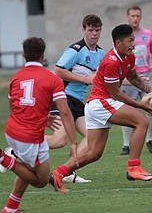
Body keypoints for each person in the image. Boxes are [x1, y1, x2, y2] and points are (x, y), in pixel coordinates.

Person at [49, 24, 152, 193]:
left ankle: (58, 173)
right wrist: (140, 105)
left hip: (98, 105)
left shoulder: (129, 56)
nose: (133, 43)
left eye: (133, 39)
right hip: (101, 102)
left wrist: (150, 91)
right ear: (118, 42)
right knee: (141, 121)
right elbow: (116, 94)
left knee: (94, 153)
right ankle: (134, 168)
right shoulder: (110, 61)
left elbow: (134, 78)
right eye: (130, 40)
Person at [0, 37, 77, 212]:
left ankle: (10, 209)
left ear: (23, 55)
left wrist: (43, 119)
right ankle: (3, 158)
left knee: (28, 169)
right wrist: (74, 142)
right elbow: (65, 112)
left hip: (12, 131)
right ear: (43, 55)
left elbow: (15, 108)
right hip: (30, 138)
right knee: (41, 180)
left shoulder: (16, 77)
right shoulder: (52, 79)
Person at [45, 14, 105, 183]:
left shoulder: (101, 53)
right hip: (63, 98)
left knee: (92, 137)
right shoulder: (75, 50)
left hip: (78, 103)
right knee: (60, 140)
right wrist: (85, 79)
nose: (94, 33)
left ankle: (67, 171)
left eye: (97, 30)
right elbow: (58, 70)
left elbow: (109, 76)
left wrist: (138, 83)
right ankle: (18, 147)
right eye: (90, 30)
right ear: (83, 29)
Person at [120, 5, 152, 155]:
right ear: (128, 17)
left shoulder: (147, 34)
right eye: (132, 16)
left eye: (138, 16)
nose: (135, 18)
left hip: (147, 76)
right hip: (129, 78)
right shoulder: (122, 36)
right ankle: (126, 144)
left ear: (140, 17)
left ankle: (149, 139)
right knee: (127, 110)